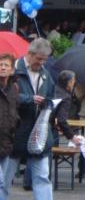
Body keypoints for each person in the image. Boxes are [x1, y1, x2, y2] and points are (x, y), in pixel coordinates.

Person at [4, 38, 55, 200]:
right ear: (30, 54)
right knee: (4, 180)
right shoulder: (12, 71)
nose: (41, 63)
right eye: (39, 59)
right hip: (14, 134)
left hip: (38, 135)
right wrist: (29, 99)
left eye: (44, 60)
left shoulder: (46, 74)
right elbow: (6, 97)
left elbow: (51, 96)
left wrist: (49, 105)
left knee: (42, 178)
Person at [0, 53, 18, 200]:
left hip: (6, 142)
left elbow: (14, 111)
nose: (3, 68)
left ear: (12, 70)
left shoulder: (13, 89)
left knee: (4, 183)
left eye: (6, 65)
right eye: (0, 65)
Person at [51, 70, 81, 146]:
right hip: (50, 130)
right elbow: (61, 120)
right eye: (73, 81)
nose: (74, 83)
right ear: (69, 82)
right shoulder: (66, 97)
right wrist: (72, 137)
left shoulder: (52, 89)